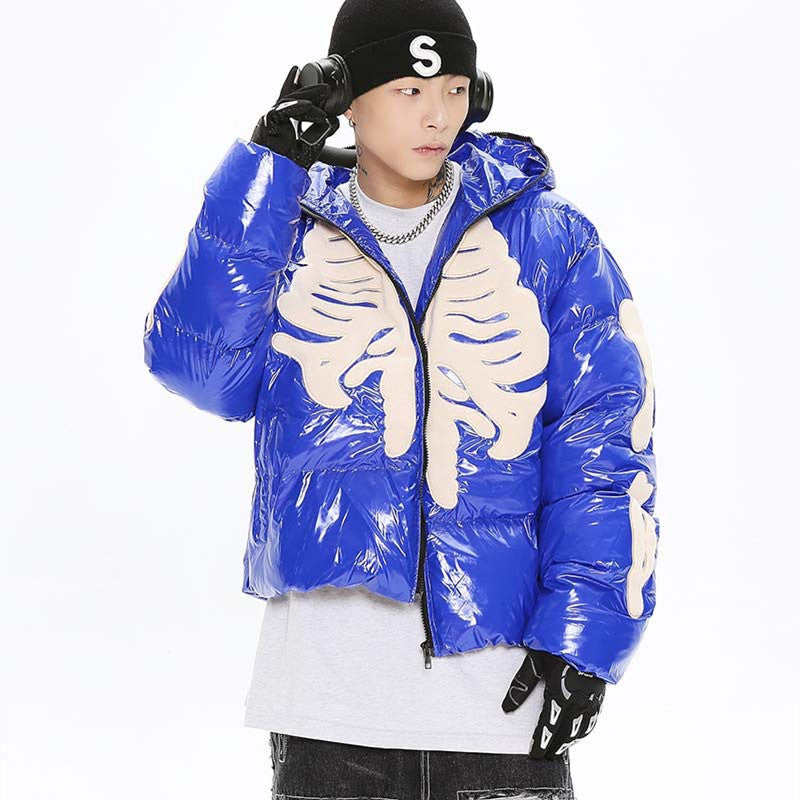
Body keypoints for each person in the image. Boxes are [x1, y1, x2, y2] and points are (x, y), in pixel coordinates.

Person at [142, 0, 659, 796]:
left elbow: (603, 444)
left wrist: (587, 638)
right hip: (326, 711)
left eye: (454, 89)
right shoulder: (283, 228)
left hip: (500, 711)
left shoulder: (553, 238)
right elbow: (198, 370)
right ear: (348, 98)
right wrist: (267, 167)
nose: (438, 114)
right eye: (410, 90)